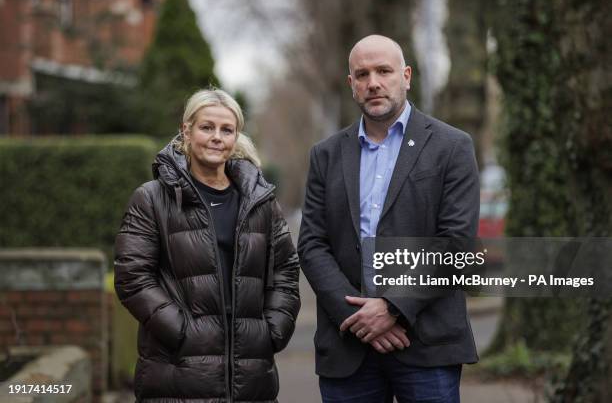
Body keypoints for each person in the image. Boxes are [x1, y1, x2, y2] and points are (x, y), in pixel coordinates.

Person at [298, 34, 479, 402]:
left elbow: (454, 242)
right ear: (352, 85)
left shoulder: (452, 147)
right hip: (348, 345)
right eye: (362, 74)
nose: (373, 83)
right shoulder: (326, 155)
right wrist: (361, 319)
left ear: (407, 76)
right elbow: (313, 244)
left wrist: (393, 307)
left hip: (427, 342)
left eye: (384, 71)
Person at [114, 89, 300, 403]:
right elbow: (132, 277)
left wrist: (272, 330)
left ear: (236, 136)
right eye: (207, 127)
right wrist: (182, 331)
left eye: (226, 130)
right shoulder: (152, 198)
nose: (217, 137)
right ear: (187, 130)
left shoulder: (259, 202)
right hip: (177, 374)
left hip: (251, 376)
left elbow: (286, 269)